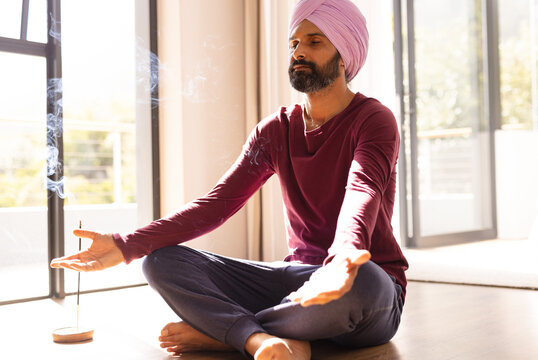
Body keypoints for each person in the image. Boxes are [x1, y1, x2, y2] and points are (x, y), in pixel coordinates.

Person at [51, 0, 408, 359]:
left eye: (314, 42)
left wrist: (343, 259)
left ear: (344, 55)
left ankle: (229, 332)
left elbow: (362, 190)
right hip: (296, 279)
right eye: (294, 43)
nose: (298, 51)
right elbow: (216, 205)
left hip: (364, 284)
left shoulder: (374, 120)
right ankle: (261, 338)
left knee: (360, 283)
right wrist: (126, 245)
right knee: (160, 261)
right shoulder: (275, 130)